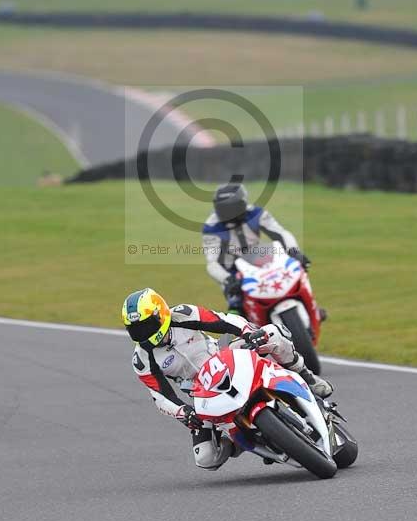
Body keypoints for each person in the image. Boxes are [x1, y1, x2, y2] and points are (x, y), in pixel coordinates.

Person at [123, 287, 333, 471]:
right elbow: (160, 396)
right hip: (202, 393)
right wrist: (183, 412)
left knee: (271, 333)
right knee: (206, 458)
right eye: (135, 329)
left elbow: (223, 320)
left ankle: (306, 375)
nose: (142, 333)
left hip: (225, 357)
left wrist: (248, 332)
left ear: (161, 314)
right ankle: (241, 442)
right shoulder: (141, 359)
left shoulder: (183, 314)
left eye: (147, 325)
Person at [203, 183, 311, 315]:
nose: (227, 213)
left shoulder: (257, 213)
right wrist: (228, 279)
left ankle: (312, 308)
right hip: (233, 270)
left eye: (231, 208)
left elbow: (281, 233)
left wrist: (295, 252)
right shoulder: (211, 227)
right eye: (222, 209)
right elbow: (212, 263)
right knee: (236, 305)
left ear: (242, 204)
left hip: (260, 259)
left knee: (296, 274)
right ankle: (236, 328)